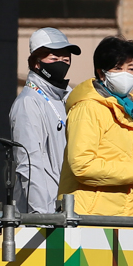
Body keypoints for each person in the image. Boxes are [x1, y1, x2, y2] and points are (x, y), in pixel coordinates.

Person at [57, 36, 133, 216]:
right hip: (87, 217)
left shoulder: (126, 110)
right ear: (101, 73)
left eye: (131, 69)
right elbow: (82, 166)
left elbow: (117, 164)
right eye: (118, 68)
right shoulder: (88, 107)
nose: (126, 74)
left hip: (116, 216)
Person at [9, 26, 80, 213]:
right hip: (43, 215)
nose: (61, 63)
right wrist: (42, 215)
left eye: (66, 59)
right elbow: (29, 163)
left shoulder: (69, 98)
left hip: (67, 208)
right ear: (36, 63)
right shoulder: (28, 102)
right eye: (54, 58)